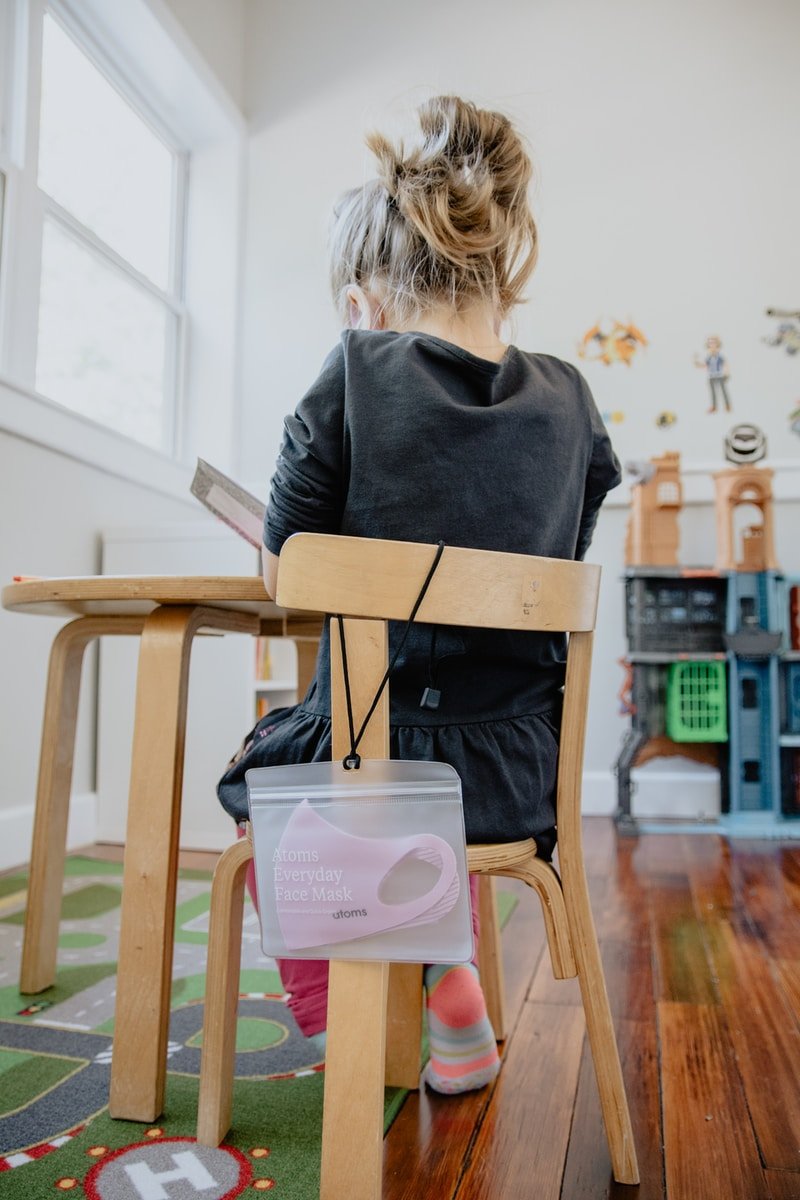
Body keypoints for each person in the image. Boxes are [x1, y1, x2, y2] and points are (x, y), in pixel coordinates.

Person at [218, 95, 621, 1094]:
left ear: (362, 302)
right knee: (428, 769)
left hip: (372, 767)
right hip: (515, 775)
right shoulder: (572, 400)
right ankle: (448, 977)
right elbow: (543, 575)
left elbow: (287, 576)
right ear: (500, 285)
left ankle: (356, 1025)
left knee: (270, 790)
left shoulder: (354, 371)